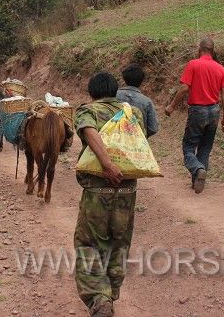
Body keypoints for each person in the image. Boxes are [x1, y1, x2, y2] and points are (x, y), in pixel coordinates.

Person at [73, 72, 145, 317]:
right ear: (115, 91)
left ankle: (99, 300)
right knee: (119, 244)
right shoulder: (133, 114)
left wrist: (106, 164)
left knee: (88, 245)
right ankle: (111, 293)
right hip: (127, 191)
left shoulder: (88, 111)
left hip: (97, 191)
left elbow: (88, 129)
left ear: (92, 93)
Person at [165, 37, 224, 193]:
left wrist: (172, 106)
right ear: (212, 51)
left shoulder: (193, 64)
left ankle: (197, 168)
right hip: (214, 111)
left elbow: (184, 89)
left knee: (188, 147)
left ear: (200, 49)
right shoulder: (220, 68)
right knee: (205, 149)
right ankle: (197, 181)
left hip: (197, 111)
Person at [116, 63, 159, 138]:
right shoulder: (147, 102)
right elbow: (153, 128)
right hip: (137, 142)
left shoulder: (113, 95)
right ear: (142, 81)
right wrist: (142, 134)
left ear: (124, 78)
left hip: (114, 140)